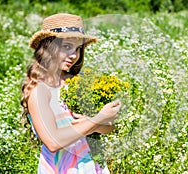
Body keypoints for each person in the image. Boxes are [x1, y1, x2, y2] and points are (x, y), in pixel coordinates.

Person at [20, 13, 121, 174]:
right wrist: (97, 119)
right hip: (61, 168)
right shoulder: (38, 89)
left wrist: (100, 121)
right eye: (67, 46)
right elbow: (53, 142)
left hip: (92, 166)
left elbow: (108, 128)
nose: (74, 55)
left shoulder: (78, 82)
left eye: (78, 48)